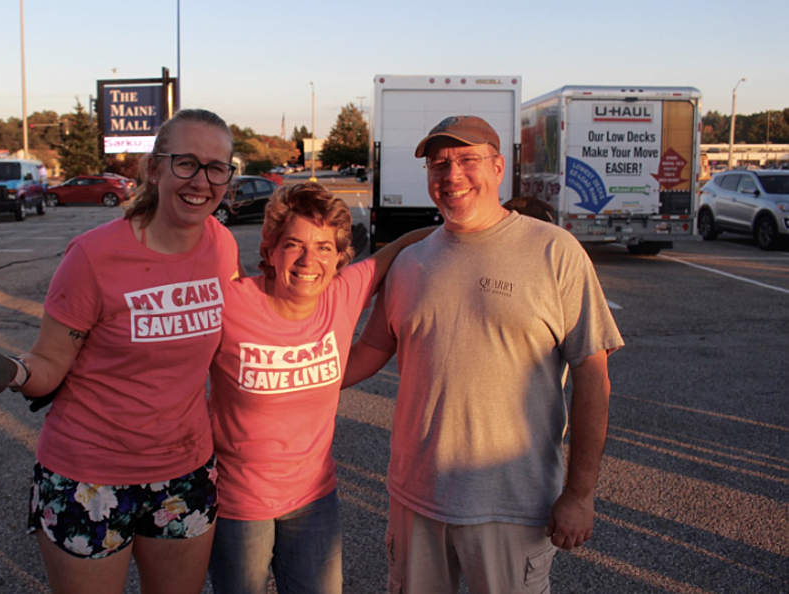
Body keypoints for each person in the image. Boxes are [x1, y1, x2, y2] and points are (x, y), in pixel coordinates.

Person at [0, 108, 242, 594]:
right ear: (155, 169)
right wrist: (11, 371)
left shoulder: (222, 246)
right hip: (89, 478)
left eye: (216, 167)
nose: (201, 180)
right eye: (186, 163)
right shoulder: (93, 257)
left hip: (185, 474)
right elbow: (50, 363)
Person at [342, 115, 625, 594]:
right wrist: (293, 373)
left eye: (467, 160)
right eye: (438, 164)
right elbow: (369, 349)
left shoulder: (555, 252)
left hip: (514, 506)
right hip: (415, 500)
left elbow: (592, 375)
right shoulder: (412, 261)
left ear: (498, 168)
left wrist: (579, 494)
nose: (451, 175)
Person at [206, 182, 433, 594]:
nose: (310, 260)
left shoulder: (343, 293)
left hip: (314, 499)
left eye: (325, 247)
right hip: (239, 505)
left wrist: (476, 231)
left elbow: (399, 247)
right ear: (271, 249)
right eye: (294, 244)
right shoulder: (231, 304)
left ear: (341, 257)